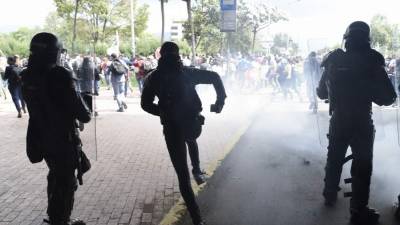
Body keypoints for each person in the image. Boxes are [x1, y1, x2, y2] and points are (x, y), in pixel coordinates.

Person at [317, 21, 396, 225]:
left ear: (347, 39)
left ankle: (329, 194)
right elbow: (389, 97)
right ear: (367, 39)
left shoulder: (334, 59)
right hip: (362, 121)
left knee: (334, 158)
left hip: (339, 119)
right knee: (362, 165)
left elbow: (321, 93)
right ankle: (358, 210)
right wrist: (367, 89)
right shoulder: (373, 60)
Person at [141, 42, 226, 225]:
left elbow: (145, 104)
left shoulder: (153, 78)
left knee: (182, 176)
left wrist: (163, 112)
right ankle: (196, 174)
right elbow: (215, 77)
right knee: (190, 144)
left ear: (160, 56)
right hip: (189, 125)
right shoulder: (188, 72)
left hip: (173, 128)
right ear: (177, 54)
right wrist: (220, 102)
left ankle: (197, 219)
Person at [21, 32, 91, 225]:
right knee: (66, 183)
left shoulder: (27, 75)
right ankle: (60, 221)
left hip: (40, 137)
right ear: (54, 52)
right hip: (62, 138)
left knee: (55, 178)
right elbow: (83, 114)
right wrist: (83, 100)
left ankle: (55, 218)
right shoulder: (59, 74)